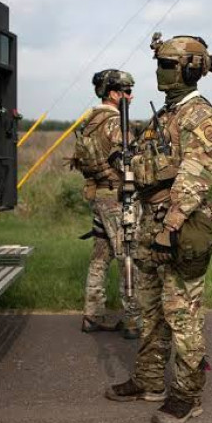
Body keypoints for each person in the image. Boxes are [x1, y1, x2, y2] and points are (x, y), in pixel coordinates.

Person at [105, 34, 212, 423]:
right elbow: (153, 163)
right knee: (150, 309)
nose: (160, 71)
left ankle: (187, 395)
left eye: (168, 65)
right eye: (160, 64)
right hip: (151, 219)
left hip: (181, 225)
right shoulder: (166, 114)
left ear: (190, 69)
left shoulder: (198, 114)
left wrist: (169, 226)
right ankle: (150, 380)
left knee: (181, 314)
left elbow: (195, 175)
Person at [71, 69, 141, 339]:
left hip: (99, 195)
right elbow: (129, 163)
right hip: (117, 197)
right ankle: (134, 319)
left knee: (100, 256)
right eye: (126, 91)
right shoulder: (114, 123)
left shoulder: (91, 120)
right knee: (128, 255)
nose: (130, 96)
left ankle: (93, 314)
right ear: (113, 93)